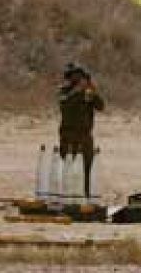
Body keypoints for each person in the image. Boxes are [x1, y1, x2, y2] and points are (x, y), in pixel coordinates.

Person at [57, 63, 104, 198]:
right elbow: (66, 106)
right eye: (75, 76)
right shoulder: (65, 91)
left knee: (87, 168)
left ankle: (86, 195)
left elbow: (100, 106)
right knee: (67, 167)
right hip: (68, 135)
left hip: (84, 136)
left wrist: (93, 93)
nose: (78, 79)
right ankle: (66, 195)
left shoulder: (87, 93)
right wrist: (78, 91)